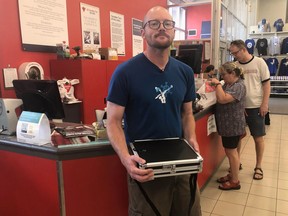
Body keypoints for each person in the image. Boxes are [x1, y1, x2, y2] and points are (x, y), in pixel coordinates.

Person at [106, 6, 202, 216]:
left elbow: (187, 114)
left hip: (181, 165)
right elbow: (112, 122)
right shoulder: (125, 73)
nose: (161, 28)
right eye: (154, 24)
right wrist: (125, 159)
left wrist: (192, 138)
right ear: (143, 31)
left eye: (167, 24)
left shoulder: (184, 72)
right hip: (146, 168)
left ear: (173, 31)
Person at [229, 39, 270, 180]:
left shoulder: (259, 62)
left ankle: (258, 166)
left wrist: (264, 104)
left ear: (243, 49)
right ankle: (237, 162)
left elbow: (266, 84)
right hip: (239, 108)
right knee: (238, 136)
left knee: (258, 138)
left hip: (256, 107)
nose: (234, 56)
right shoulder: (235, 66)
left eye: (235, 52)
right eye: (232, 53)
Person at [210, 62, 246, 190]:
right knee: (230, 151)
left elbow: (223, 99)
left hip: (233, 125)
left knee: (231, 152)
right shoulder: (229, 84)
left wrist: (218, 84)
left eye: (224, 74)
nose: (222, 77)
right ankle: (232, 175)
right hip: (227, 125)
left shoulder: (239, 86)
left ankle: (235, 181)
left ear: (233, 74)